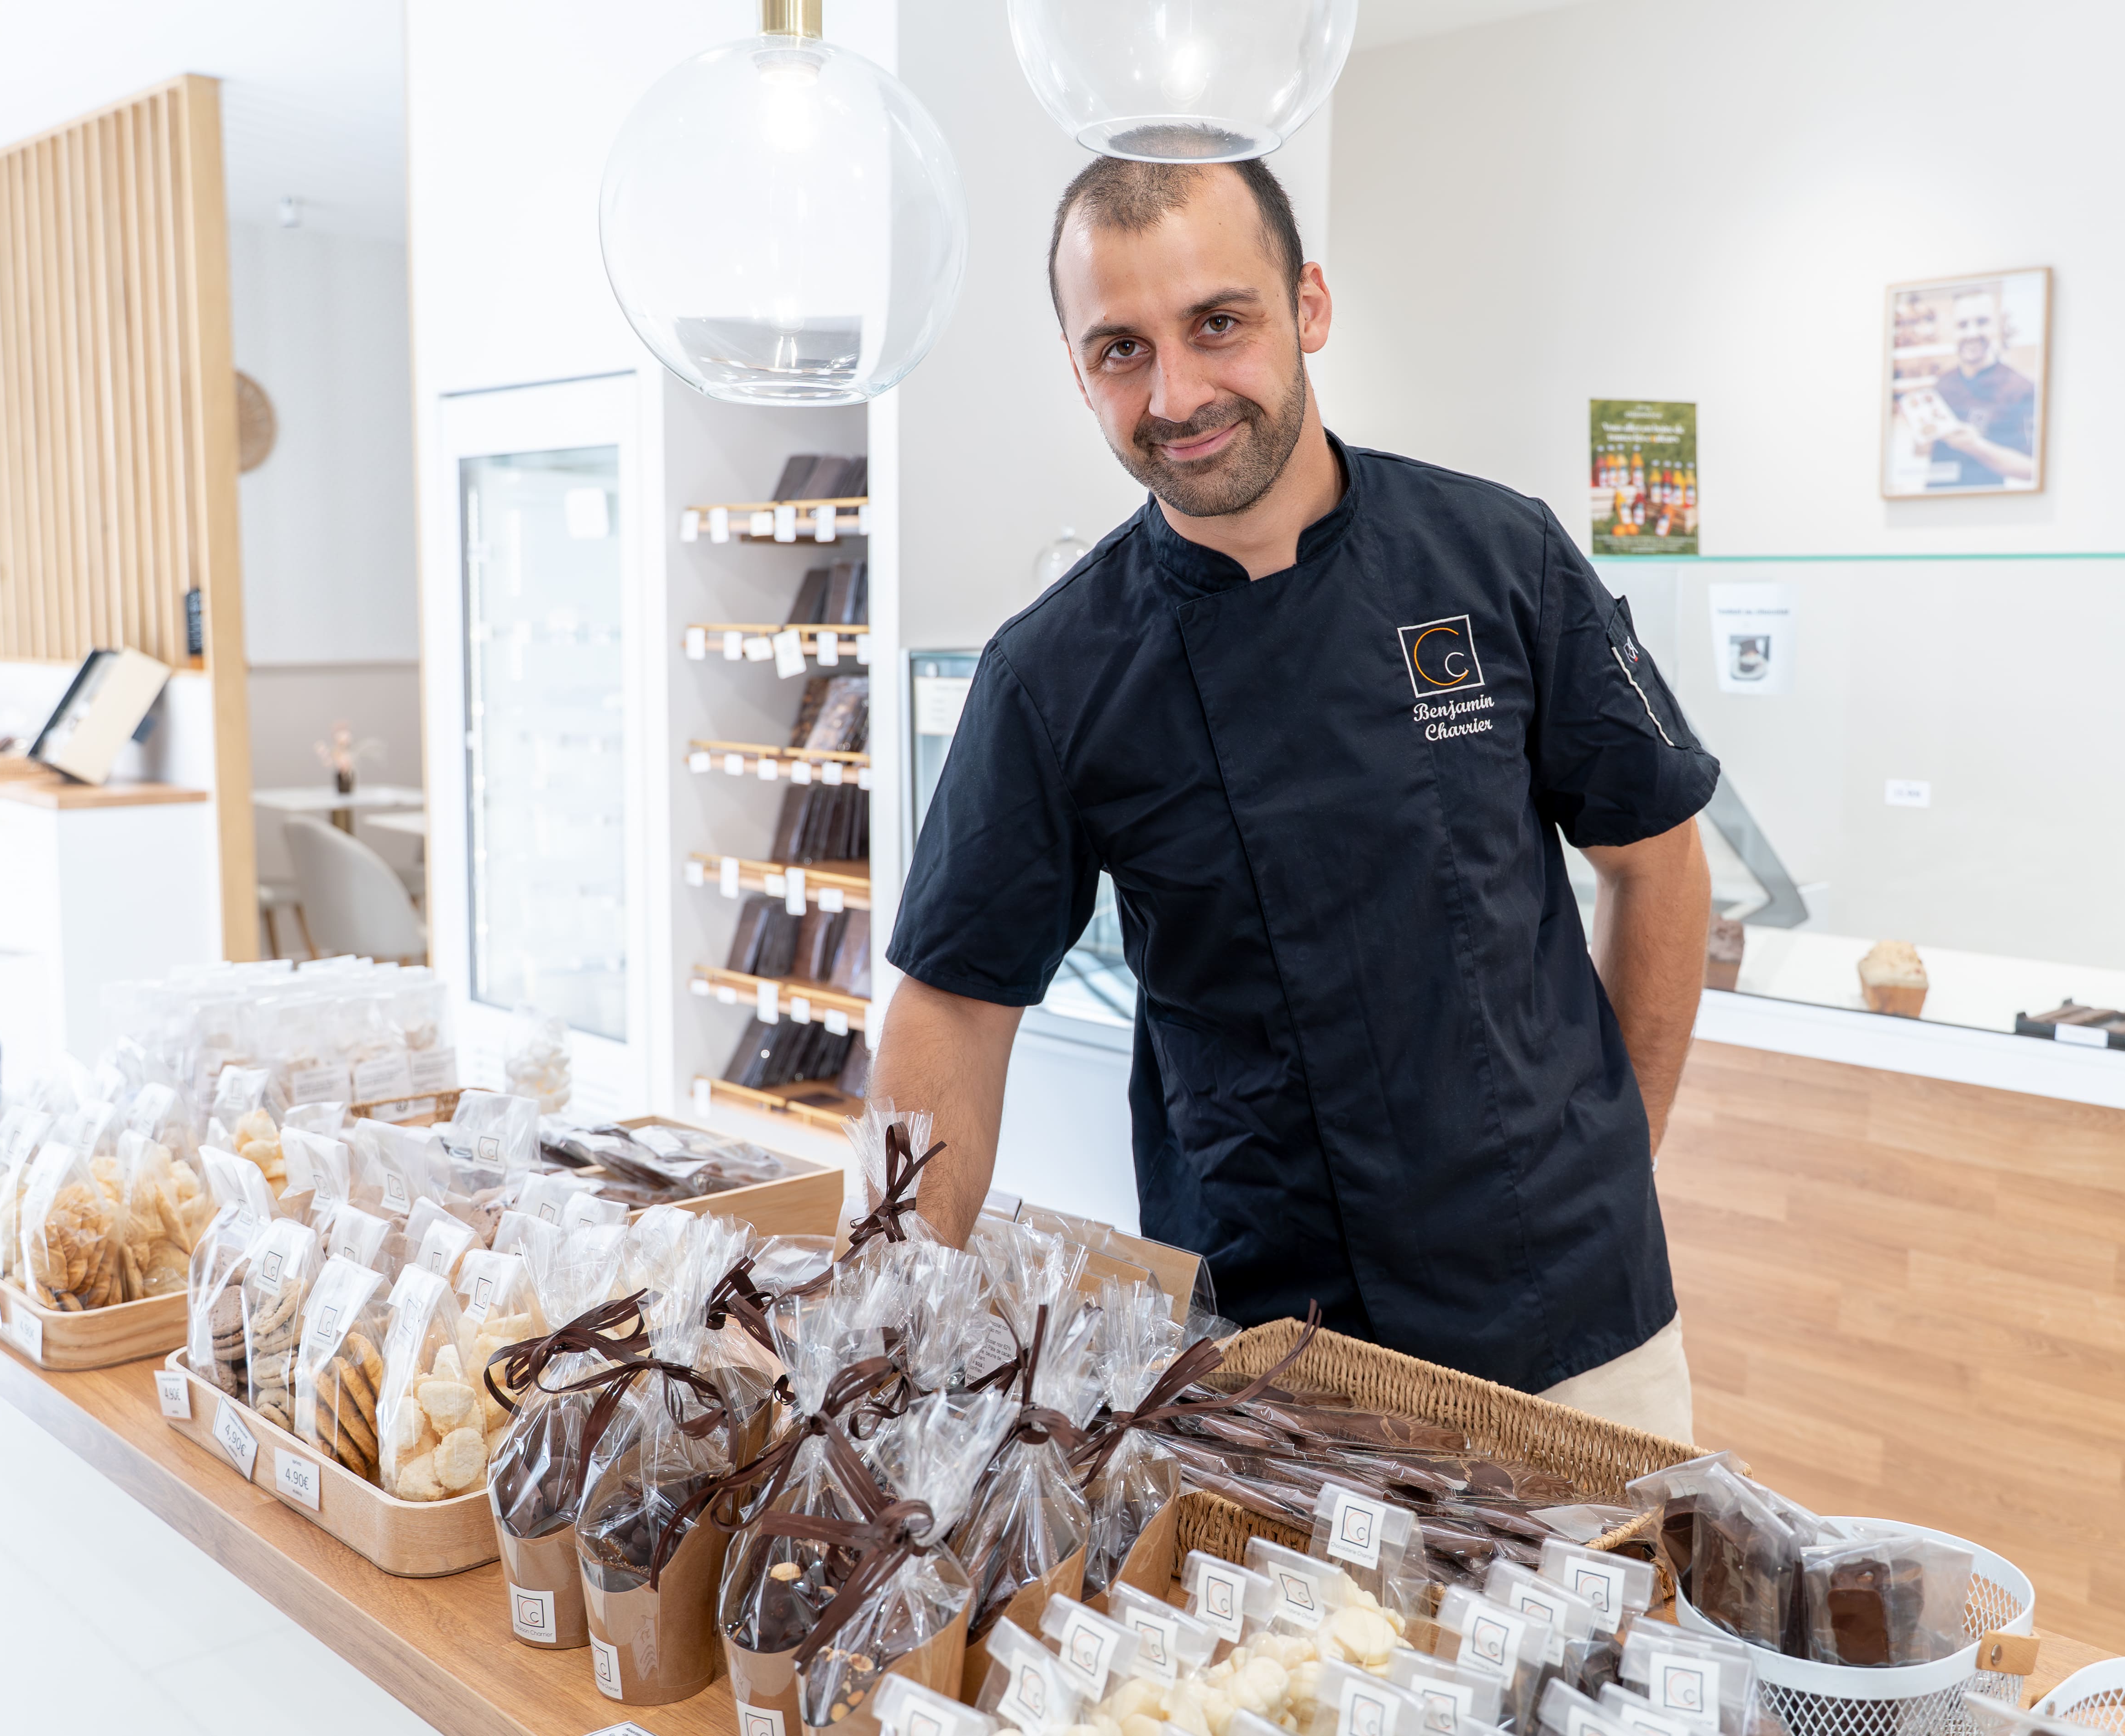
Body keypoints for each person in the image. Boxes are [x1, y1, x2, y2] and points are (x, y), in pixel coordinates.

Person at [871, 153, 1718, 1439]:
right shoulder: (1051, 674)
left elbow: (1655, 861)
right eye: (1119, 349)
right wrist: (881, 1324)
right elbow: (949, 1013)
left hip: (1574, 1332)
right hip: (1262, 1356)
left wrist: (1613, 1163)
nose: (1177, 392)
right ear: (1077, 370)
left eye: (1218, 322)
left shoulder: (1496, 557)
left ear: (1307, 307)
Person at [1921, 289, 2036, 488]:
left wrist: (1976, 447)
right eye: (1963, 325)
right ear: (1953, 330)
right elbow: (1924, 452)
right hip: (1935, 507)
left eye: (1982, 322)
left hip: (1987, 510)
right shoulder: (1943, 385)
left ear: (1998, 325)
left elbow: (2032, 469)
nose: (1972, 333)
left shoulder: (2020, 388)